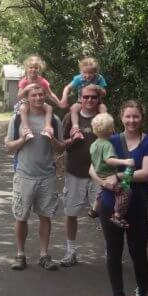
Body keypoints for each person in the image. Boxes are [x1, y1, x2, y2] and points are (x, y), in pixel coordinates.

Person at [89, 100, 148, 296]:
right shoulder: (109, 140)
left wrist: (117, 175)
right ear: (121, 117)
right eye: (128, 116)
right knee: (113, 252)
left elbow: (146, 173)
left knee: (138, 253)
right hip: (110, 205)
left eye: (135, 116)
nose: (131, 120)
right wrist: (104, 182)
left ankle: (142, 294)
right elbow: (92, 168)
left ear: (142, 118)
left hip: (137, 205)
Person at [4, 84, 66, 271]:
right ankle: (20, 255)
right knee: (21, 217)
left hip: (47, 176)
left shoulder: (54, 120)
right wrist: (22, 140)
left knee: (45, 216)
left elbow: (61, 148)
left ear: (45, 96)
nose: (38, 98)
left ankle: (44, 255)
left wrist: (52, 140)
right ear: (27, 97)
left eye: (41, 94)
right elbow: (8, 147)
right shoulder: (17, 119)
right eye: (34, 95)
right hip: (24, 175)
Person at [58, 83, 103, 266]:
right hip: (75, 173)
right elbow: (59, 144)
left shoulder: (103, 118)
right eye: (86, 97)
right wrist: (71, 140)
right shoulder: (70, 117)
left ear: (99, 99)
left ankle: (111, 252)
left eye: (93, 97)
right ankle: (71, 252)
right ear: (80, 98)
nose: (89, 100)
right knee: (71, 213)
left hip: (99, 175)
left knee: (105, 213)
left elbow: (113, 144)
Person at [88, 113, 136, 229]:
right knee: (125, 192)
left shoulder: (94, 144)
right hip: (109, 175)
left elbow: (93, 161)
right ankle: (117, 214)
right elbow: (109, 160)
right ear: (111, 129)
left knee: (101, 190)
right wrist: (125, 162)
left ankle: (94, 209)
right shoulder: (107, 145)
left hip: (99, 174)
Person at [16, 54, 63, 139]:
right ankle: (26, 129)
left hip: (39, 102)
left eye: (36, 68)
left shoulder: (42, 81)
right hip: (26, 102)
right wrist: (26, 88)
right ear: (27, 69)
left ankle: (47, 128)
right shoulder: (24, 81)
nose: (33, 70)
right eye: (31, 67)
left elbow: (50, 94)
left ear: (39, 69)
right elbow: (19, 96)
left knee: (49, 108)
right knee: (23, 108)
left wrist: (59, 103)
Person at [59, 56, 109, 121]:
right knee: (73, 108)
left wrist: (97, 87)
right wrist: (64, 98)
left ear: (95, 72)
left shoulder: (99, 78)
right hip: (81, 102)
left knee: (103, 108)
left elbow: (104, 93)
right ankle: (75, 126)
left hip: (97, 102)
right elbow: (67, 88)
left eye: (90, 73)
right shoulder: (79, 78)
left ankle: (104, 125)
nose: (87, 75)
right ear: (81, 72)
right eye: (85, 73)